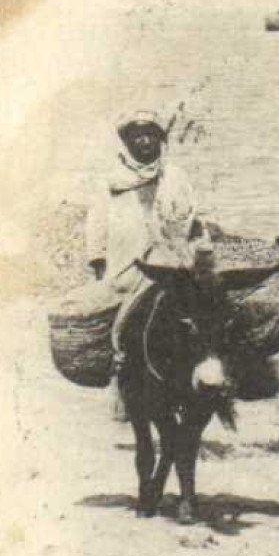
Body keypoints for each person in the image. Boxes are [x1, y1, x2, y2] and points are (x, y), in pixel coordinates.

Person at [85, 111, 203, 370]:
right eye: (138, 136)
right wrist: (98, 261)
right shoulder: (109, 181)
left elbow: (192, 215)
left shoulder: (175, 176)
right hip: (126, 263)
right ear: (127, 142)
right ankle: (118, 359)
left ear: (159, 140)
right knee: (119, 312)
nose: (145, 142)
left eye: (150, 135)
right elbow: (96, 222)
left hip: (172, 261)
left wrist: (194, 249)